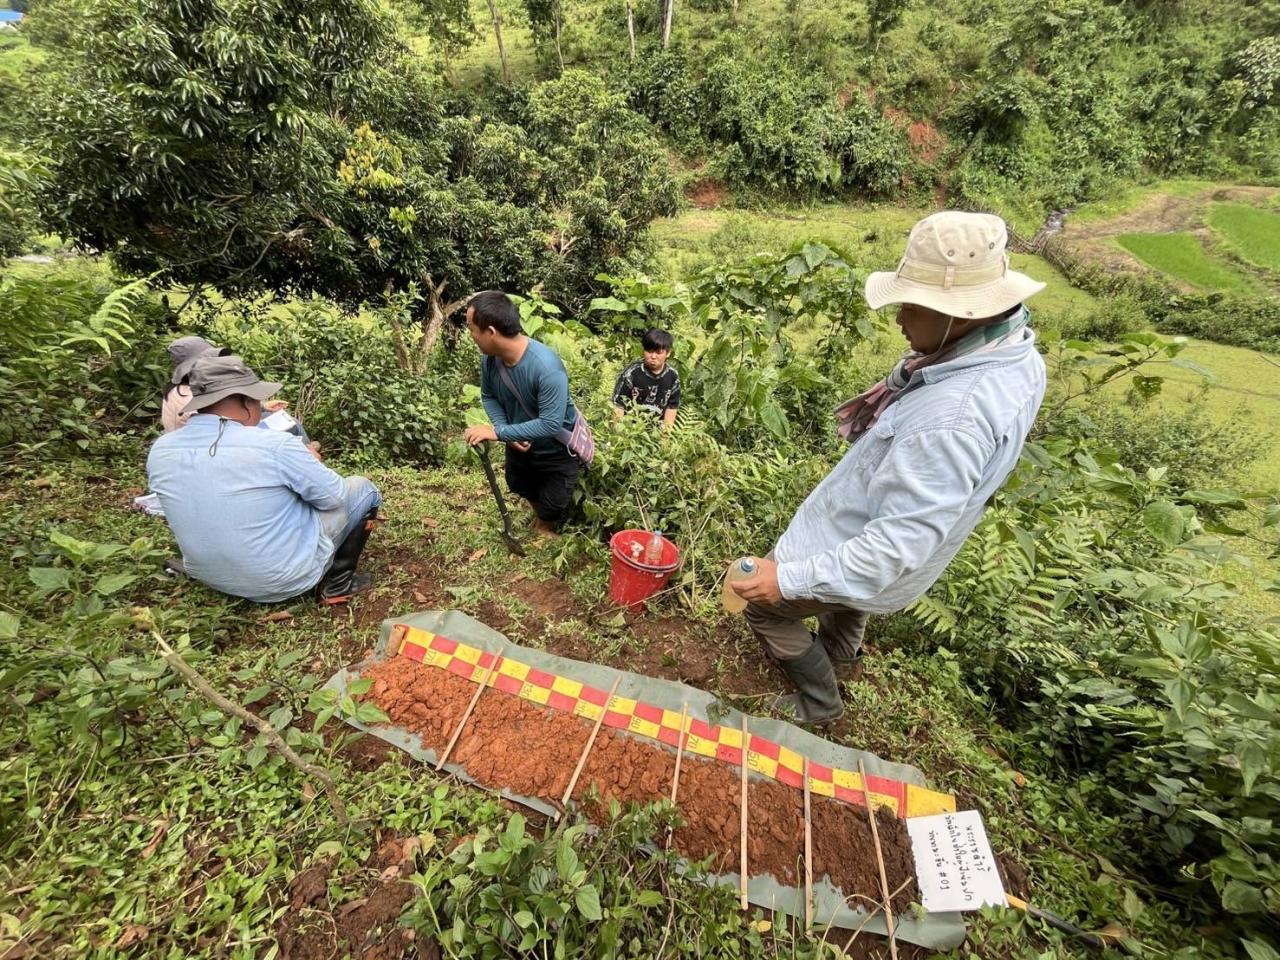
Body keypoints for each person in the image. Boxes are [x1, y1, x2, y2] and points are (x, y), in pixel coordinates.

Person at [731, 211, 1048, 723]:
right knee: (847, 601)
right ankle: (840, 664)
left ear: (956, 313)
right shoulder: (1017, 354)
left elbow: (889, 548)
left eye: (910, 306)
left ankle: (820, 702)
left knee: (763, 607)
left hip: (870, 546)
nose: (899, 320)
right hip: (875, 530)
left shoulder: (951, 420)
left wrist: (785, 581)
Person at [147, 354, 382, 604]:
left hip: (208, 576)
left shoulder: (161, 449)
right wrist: (309, 462)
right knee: (363, 489)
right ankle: (337, 584)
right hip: (281, 580)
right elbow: (335, 498)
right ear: (246, 401)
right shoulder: (275, 445)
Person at [462, 290, 585, 537]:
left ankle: (545, 525)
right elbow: (488, 396)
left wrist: (498, 432)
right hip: (519, 442)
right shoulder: (490, 359)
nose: (470, 335)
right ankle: (538, 515)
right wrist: (506, 430)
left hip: (556, 448)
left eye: (472, 329)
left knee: (555, 499)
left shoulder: (546, 367)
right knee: (519, 483)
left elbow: (551, 424)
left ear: (491, 332)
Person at [161, 335, 310, 443]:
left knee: (283, 419)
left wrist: (263, 406)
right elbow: (227, 423)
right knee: (291, 425)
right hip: (211, 442)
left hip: (208, 437)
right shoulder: (191, 395)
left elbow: (225, 410)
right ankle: (307, 454)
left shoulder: (182, 389)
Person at [611, 328, 682, 426]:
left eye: (658, 352)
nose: (653, 356)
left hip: (656, 429)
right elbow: (618, 406)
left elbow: (672, 408)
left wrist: (665, 434)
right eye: (649, 351)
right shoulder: (632, 373)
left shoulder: (672, 376)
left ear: (668, 353)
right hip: (630, 428)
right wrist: (617, 432)